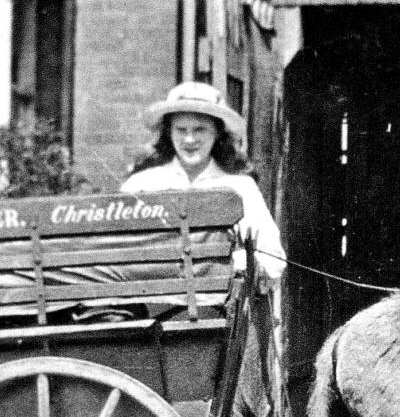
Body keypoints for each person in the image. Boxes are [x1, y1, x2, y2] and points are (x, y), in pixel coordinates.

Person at [121, 82, 286, 281]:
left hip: (219, 305)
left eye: (200, 129)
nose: (189, 140)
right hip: (151, 304)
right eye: (181, 130)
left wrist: (237, 265)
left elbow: (273, 257)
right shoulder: (141, 184)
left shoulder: (240, 187)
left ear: (217, 133)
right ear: (169, 132)